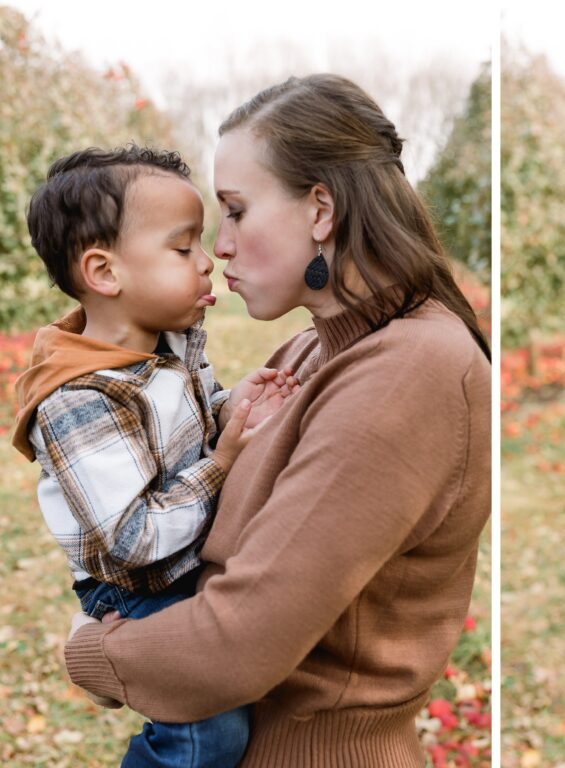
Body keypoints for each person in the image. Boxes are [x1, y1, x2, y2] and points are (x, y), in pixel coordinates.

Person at [61, 74, 491, 768]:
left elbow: (236, 640)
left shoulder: (409, 372)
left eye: (235, 211)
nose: (220, 246)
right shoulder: (313, 348)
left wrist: (90, 650)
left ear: (321, 209)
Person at [12, 146, 299, 767]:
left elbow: (198, 411)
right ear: (105, 272)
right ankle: (106, 645)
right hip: (136, 586)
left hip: (187, 561)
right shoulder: (79, 401)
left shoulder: (170, 344)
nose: (210, 261)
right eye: (184, 248)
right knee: (206, 735)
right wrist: (221, 462)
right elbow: (134, 537)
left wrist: (233, 409)